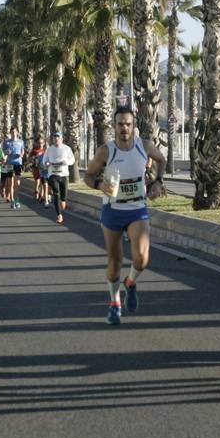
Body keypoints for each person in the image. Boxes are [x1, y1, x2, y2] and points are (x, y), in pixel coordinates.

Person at [83, 106, 167, 326]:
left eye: (128, 124)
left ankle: (130, 283)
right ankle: (114, 302)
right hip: (113, 211)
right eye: (120, 124)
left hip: (137, 208)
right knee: (115, 263)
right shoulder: (105, 151)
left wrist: (158, 182)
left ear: (134, 125)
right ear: (114, 126)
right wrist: (100, 184)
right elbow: (88, 177)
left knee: (142, 258)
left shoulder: (144, 146)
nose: (124, 128)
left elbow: (162, 160)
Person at [42, 131, 75, 225]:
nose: (56, 139)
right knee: (56, 193)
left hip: (64, 175)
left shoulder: (66, 148)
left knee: (63, 198)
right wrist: (47, 163)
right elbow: (45, 160)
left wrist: (66, 162)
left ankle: (63, 203)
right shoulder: (49, 149)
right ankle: (59, 216)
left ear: (61, 139)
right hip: (53, 174)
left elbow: (72, 160)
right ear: (53, 139)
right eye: (55, 138)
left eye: (58, 138)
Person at [2, 130, 26, 208]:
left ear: (17, 133)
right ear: (10, 133)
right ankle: (12, 200)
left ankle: (16, 198)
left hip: (18, 164)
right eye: (12, 132)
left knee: (17, 184)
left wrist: (21, 155)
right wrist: (7, 152)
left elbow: (22, 151)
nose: (13, 133)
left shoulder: (21, 141)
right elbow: (4, 152)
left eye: (15, 132)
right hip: (9, 164)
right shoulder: (7, 142)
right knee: (11, 183)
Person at [28, 136, 47, 206]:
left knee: (42, 182)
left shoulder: (45, 150)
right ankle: (36, 192)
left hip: (43, 168)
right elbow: (29, 158)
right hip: (35, 167)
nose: (40, 144)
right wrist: (32, 159)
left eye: (41, 143)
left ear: (44, 143)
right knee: (37, 180)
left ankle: (41, 196)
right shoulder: (34, 150)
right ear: (36, 143)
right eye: (38, 143)